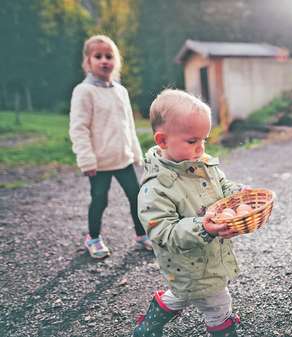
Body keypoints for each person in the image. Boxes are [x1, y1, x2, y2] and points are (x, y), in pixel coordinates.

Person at [133, 89, 245, 337]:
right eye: (192, 141)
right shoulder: (156, 188)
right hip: (189, 261)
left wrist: (237, 194)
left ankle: (149, 325)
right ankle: (223, 329)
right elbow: (162, 231)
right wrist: (202, 227)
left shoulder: (202, 163)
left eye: (204, 139)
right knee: (218, 305)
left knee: (181, 294)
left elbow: (221, 185)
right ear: (162, 141)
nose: (200, 147)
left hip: (207, 258)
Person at [69, 35, 152, 258]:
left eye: (109, 56)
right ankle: (93, 238)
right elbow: (79, 129)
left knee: (136, 196)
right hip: (100, 162)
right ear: (88, 62)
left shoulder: (120, 91)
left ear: (116, 61)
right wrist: (86, 160)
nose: (104, 60)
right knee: (100, 199)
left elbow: (129, 125)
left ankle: (142, 234)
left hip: (122, 158)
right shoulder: (84, 91)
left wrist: (135, 153)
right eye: (98, 56)